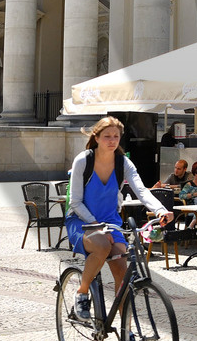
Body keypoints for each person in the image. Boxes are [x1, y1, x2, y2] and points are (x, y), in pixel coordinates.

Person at [66, 116, 172, 322]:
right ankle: (82, 292)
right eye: (107, 136)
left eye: (116, 136)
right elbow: (75, 203)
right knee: (102, 245)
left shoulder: (123, 163)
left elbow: (141, 190)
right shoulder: (83, 160)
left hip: (110, 222)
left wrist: (160, 210)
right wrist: (96, 226)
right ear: (96, 137)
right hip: (81, 220)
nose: (112, 140)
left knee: (123, 277)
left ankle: (127, 331)